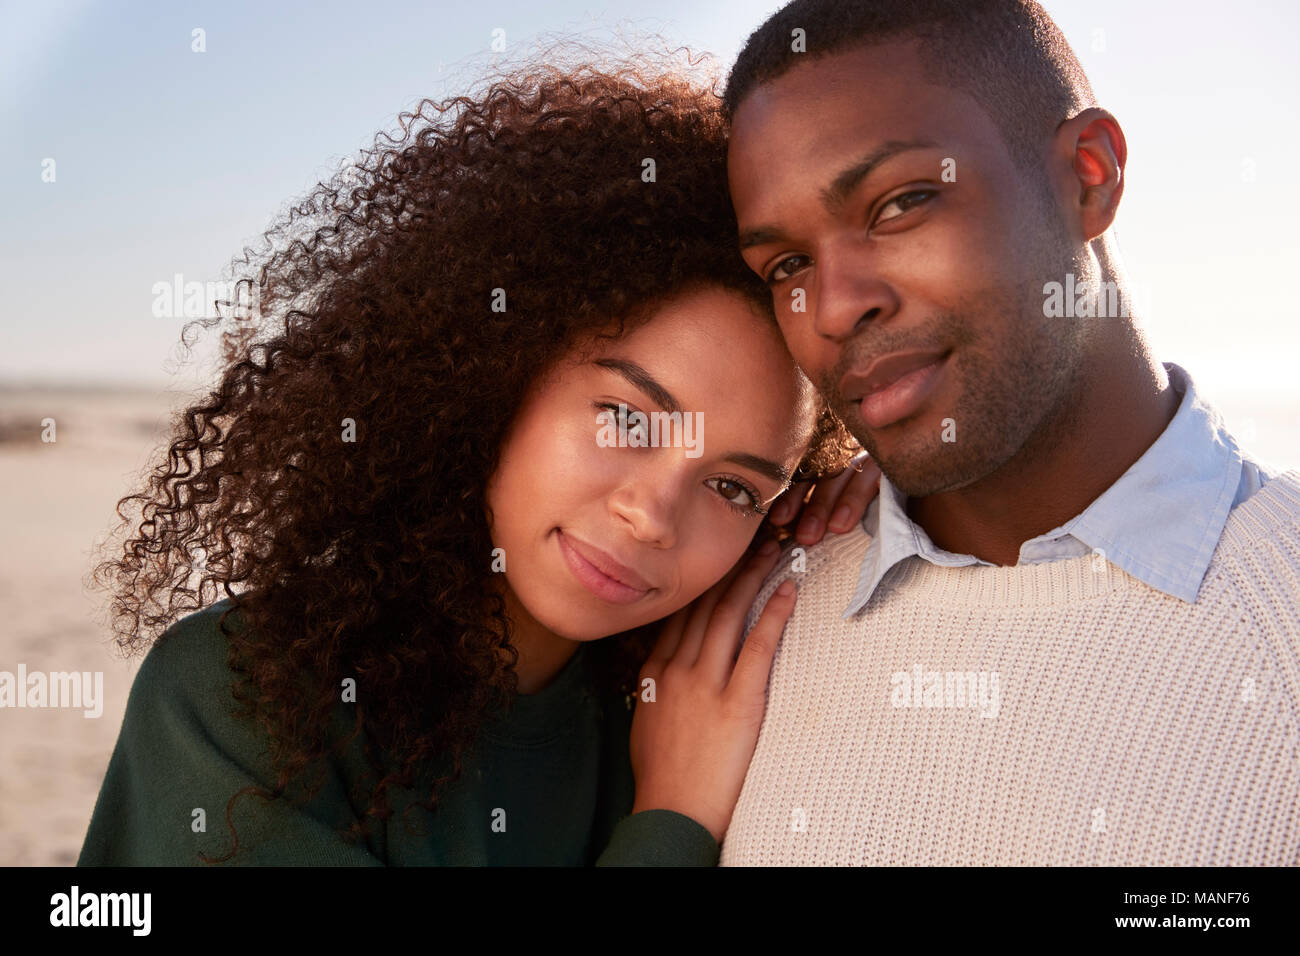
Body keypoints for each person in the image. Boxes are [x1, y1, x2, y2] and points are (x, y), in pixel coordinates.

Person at [76, 53, 880, 867]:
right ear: (496, 377)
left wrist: (899, 482)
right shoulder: (236, 698)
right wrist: (671, 821)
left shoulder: (688, 708)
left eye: (732, 488)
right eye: (626, 420)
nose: (653, 515)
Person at [719, 0, 1300, 865]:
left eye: (901, 203)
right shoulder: (735, 621)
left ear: (1090, 175)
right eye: (788, 266)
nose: (834, 308)